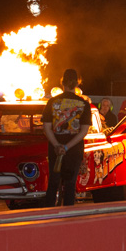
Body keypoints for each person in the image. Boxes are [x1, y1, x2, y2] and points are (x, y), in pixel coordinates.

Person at [42, 69, 93, 206]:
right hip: (74, 150)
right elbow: (83, 131)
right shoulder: (83, 104)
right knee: (70, 185)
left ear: (62, 82)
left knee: (53, 183)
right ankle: (68, 214)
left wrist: (57, 146)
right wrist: (66, 147)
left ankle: (49, 213)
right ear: (77, 83)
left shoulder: (52, 102)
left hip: (55, 149)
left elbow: (46, 127)